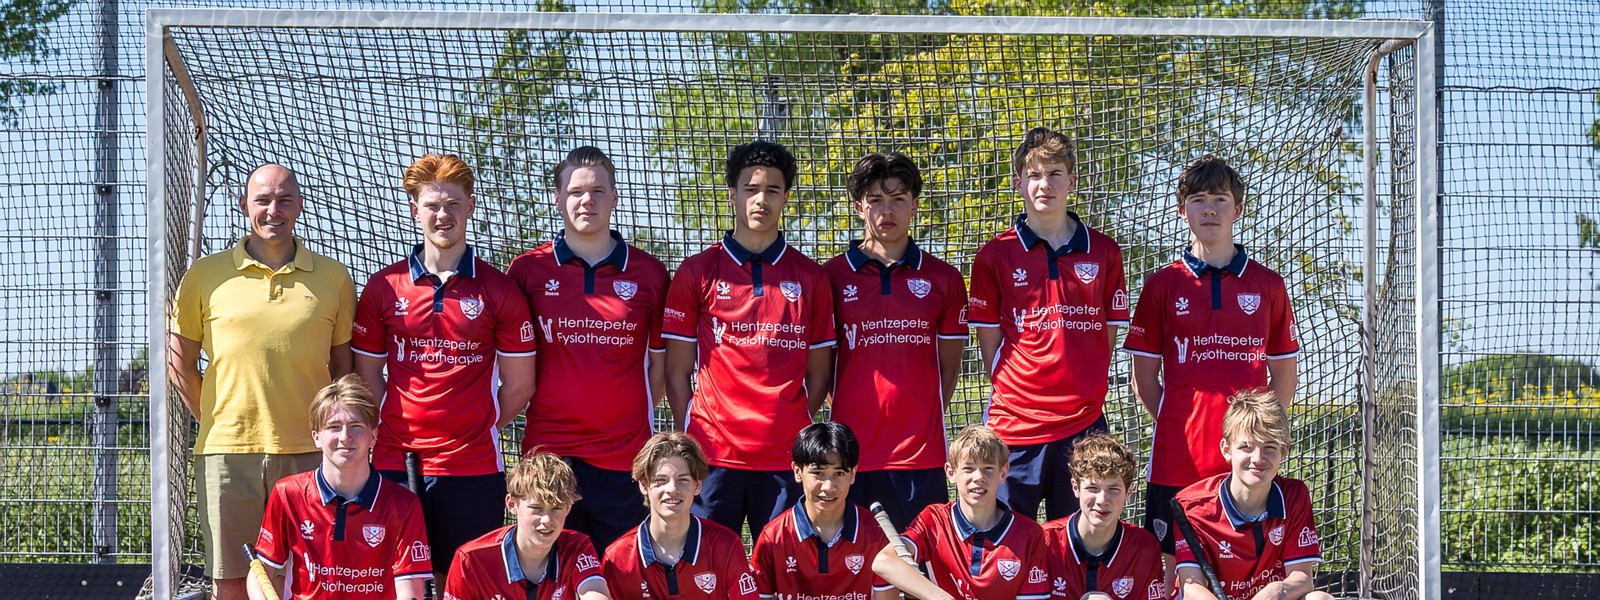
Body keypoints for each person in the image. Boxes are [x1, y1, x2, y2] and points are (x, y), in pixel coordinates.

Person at [169, 163, 356, 600]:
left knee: (314, 576)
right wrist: (215, 420)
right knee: (233, 579)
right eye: (263, 200)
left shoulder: (334, 278)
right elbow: (179, 363)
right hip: (227, 456)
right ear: (243, 206)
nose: (274, 210)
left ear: (300, 206)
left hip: (312, 452)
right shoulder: (205, 275)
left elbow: (343, 372)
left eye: (285, 200)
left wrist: (332, 434)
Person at [352, 153, 537, 578]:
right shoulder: (383, 287)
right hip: (395, 461)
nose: (443, 214)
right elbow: (366, 377)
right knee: (393, 580)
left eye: (453, 203)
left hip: (472, 466)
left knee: (461, 581)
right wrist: (394, 424)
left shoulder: (500, 289)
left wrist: (474, 425)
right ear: (414, 210)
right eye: (432, 205)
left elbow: (520, 385)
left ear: (470, 206)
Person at [1121, 155, 1299, 580]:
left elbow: (1284, 378)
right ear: (1182, 211)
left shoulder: (1268, 285)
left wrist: (1255, 436)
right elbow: (1143, 380)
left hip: (1244, 460)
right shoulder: (1162, 284)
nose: (1210, 209)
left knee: (1244, 574)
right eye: (1198, 199)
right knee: (1171, 577)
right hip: (1176, 460)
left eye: (1220, 199)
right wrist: (1180, 422)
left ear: (1238, 209)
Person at [662, 140, 836, 536]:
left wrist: (787, 426)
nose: (761, 199)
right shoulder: (697, 271)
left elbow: (820, 376)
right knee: (705, 564)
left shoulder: (812, 277)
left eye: (773, 190)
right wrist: (692, 442)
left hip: (784, 459)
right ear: (732, 194)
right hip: (712, 456)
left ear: (786, 197)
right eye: (751, 189)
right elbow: (676, 372)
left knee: (782, 567)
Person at [507, 146, 671, 549]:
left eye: (598, 191)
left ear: (614, 197)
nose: (587, 200)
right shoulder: (527, 270)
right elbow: (511, 365)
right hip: (547, 455)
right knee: (548, 572)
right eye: (576, 191)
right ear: (557, 199)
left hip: (623, 460)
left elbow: (660, 368)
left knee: (619, 572)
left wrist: (626, 418)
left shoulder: (650, 273)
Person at [967, 126, 1130, 521]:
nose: (1045, 184)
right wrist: (1021, 389)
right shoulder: (994, 254)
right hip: (1015, 425)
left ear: (1071, 181)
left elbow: (1106, 337)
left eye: (1055, 173)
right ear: (1018, 184)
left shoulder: (1105, 251)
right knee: (1005, 539)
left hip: (1085, 424)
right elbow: (989, 345)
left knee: (1082, 540)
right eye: (1034, 175)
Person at [822, 152, 967, 530]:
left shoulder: (945, 279)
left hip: (921, 458)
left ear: (914, 205)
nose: (887, 210)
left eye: (898, 199)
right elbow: (822, 371)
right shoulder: (830, 278)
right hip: (850, 458)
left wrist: (916, 416)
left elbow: (948, 369)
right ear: (859, 207)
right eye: (875, 200)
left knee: (920, 560)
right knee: (854, 562)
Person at [249, 375, 431, 600]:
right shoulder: (288, 493)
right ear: (316, 437)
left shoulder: (403, 504)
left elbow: (409, 591)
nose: (345, 437)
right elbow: (259, 573)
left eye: (356, 426)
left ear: (373, 436)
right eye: (334, 427)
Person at [1173, 389, 1329, 600]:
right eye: (1246, 447)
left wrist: (1277, 590)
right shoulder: (1191, 505)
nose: (1258, 458)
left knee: (1320, 599)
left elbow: (1302, 577)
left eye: (1269, 446)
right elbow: (1191, 588)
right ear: (1226, 450)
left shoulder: (1294, 495)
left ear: (1285, 451)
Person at [872, 425, 1052, 600]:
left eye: (988, 468)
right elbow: (884, 561)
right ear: (951, 473)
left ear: (1003, 473)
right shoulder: (934, 520)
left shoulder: (1030, 534)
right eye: (969, 468)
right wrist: (941, 597)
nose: (979, 477)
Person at [602, 432, 759, 600]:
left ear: (697, 486)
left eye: (683, 479)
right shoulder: (617, 557)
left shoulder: (726, 544)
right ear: (644, 485)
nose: (672, 489)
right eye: (661, 480)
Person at [443, 451, 613, 600]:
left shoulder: (577, 547)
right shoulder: (470, 560)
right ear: (512, 505)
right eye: (536, 508)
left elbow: (595, 590)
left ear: (568, 508)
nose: (546, 519)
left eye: (556, 508)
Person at [750, 423, 889, 599]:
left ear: (853, 474)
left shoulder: (875, 533)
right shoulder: (773, 537)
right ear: (797, 471)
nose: (828, 487)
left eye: (839, 473)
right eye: (818, 473)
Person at [1040, 434, 1164, 600]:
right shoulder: (1043, 542)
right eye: (1092, 488)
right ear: (1075, 487)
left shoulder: (1145, 548)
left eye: (1113, 489)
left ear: (1129, 491)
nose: (1102, 500)